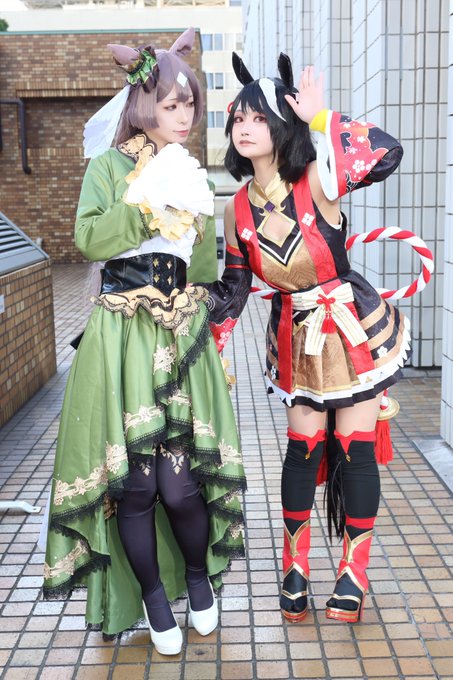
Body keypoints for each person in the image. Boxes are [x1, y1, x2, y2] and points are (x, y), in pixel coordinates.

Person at [42, 28, 246, 654]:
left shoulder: (193, 174)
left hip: (178, 339)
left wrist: (212, 328)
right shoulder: (109, 168)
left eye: (190, 105)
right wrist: (147, 207)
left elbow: (202, 271)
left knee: (180, 486)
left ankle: (196, 579)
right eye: (172, 103)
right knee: (136, 488)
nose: (184, 116)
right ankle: (154, 602)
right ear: (143, 104)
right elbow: (88, 239)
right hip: (120, 341)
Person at [207, 52, 409, 624]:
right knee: (302, 450)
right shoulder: (236, 209)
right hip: (295, 337)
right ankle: (295, 567)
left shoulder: (318, 178)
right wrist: (194, 323)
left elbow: (388, 151)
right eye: (238, 119)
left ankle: (353, 573)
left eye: (259, 117)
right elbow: (234, 288)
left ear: (282, 124)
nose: (245, 128)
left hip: (350, 328)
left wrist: (321, 119)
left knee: (355, 448)